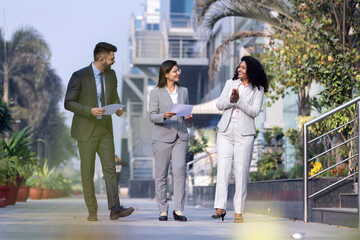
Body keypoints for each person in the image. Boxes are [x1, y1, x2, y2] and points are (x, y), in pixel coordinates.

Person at [64, 42, 134, 221]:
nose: (114, 61)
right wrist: (90, 111)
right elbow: (68, 102)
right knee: (87, 172)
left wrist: (118, 108)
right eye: (112, 58)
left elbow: (114, 96)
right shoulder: (79, 76)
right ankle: (92, 211)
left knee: (110, 170)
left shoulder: (111, 75)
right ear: (101, 58)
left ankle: (115, 209)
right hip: (85, 131)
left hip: (105, 130)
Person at [212, 55, 268, 223]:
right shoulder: (230, 83)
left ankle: (238, 211)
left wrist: (239, 100)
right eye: (239, 67)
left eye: (243, 68)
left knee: (241, 173)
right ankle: (220, 207)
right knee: (222, 169)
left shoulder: (258, 89)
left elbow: (254, 111)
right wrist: (231, 100)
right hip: (225, 131)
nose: (239, 69)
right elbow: (220, 105)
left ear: (251, 70)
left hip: (245, 134)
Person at [148, 60, 192, 221]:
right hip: (162, 137)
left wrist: (187, 116)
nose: (177, 73)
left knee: (180, 170)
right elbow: (151, 115)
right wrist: (163, 116)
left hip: (180, 136)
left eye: (178, 70)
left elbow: (184, 112)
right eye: (174, 71)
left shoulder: (184, 91)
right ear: (166, 74)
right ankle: (163, 210)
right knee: (161, 175)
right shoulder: (156, 92)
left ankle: (178, 210)